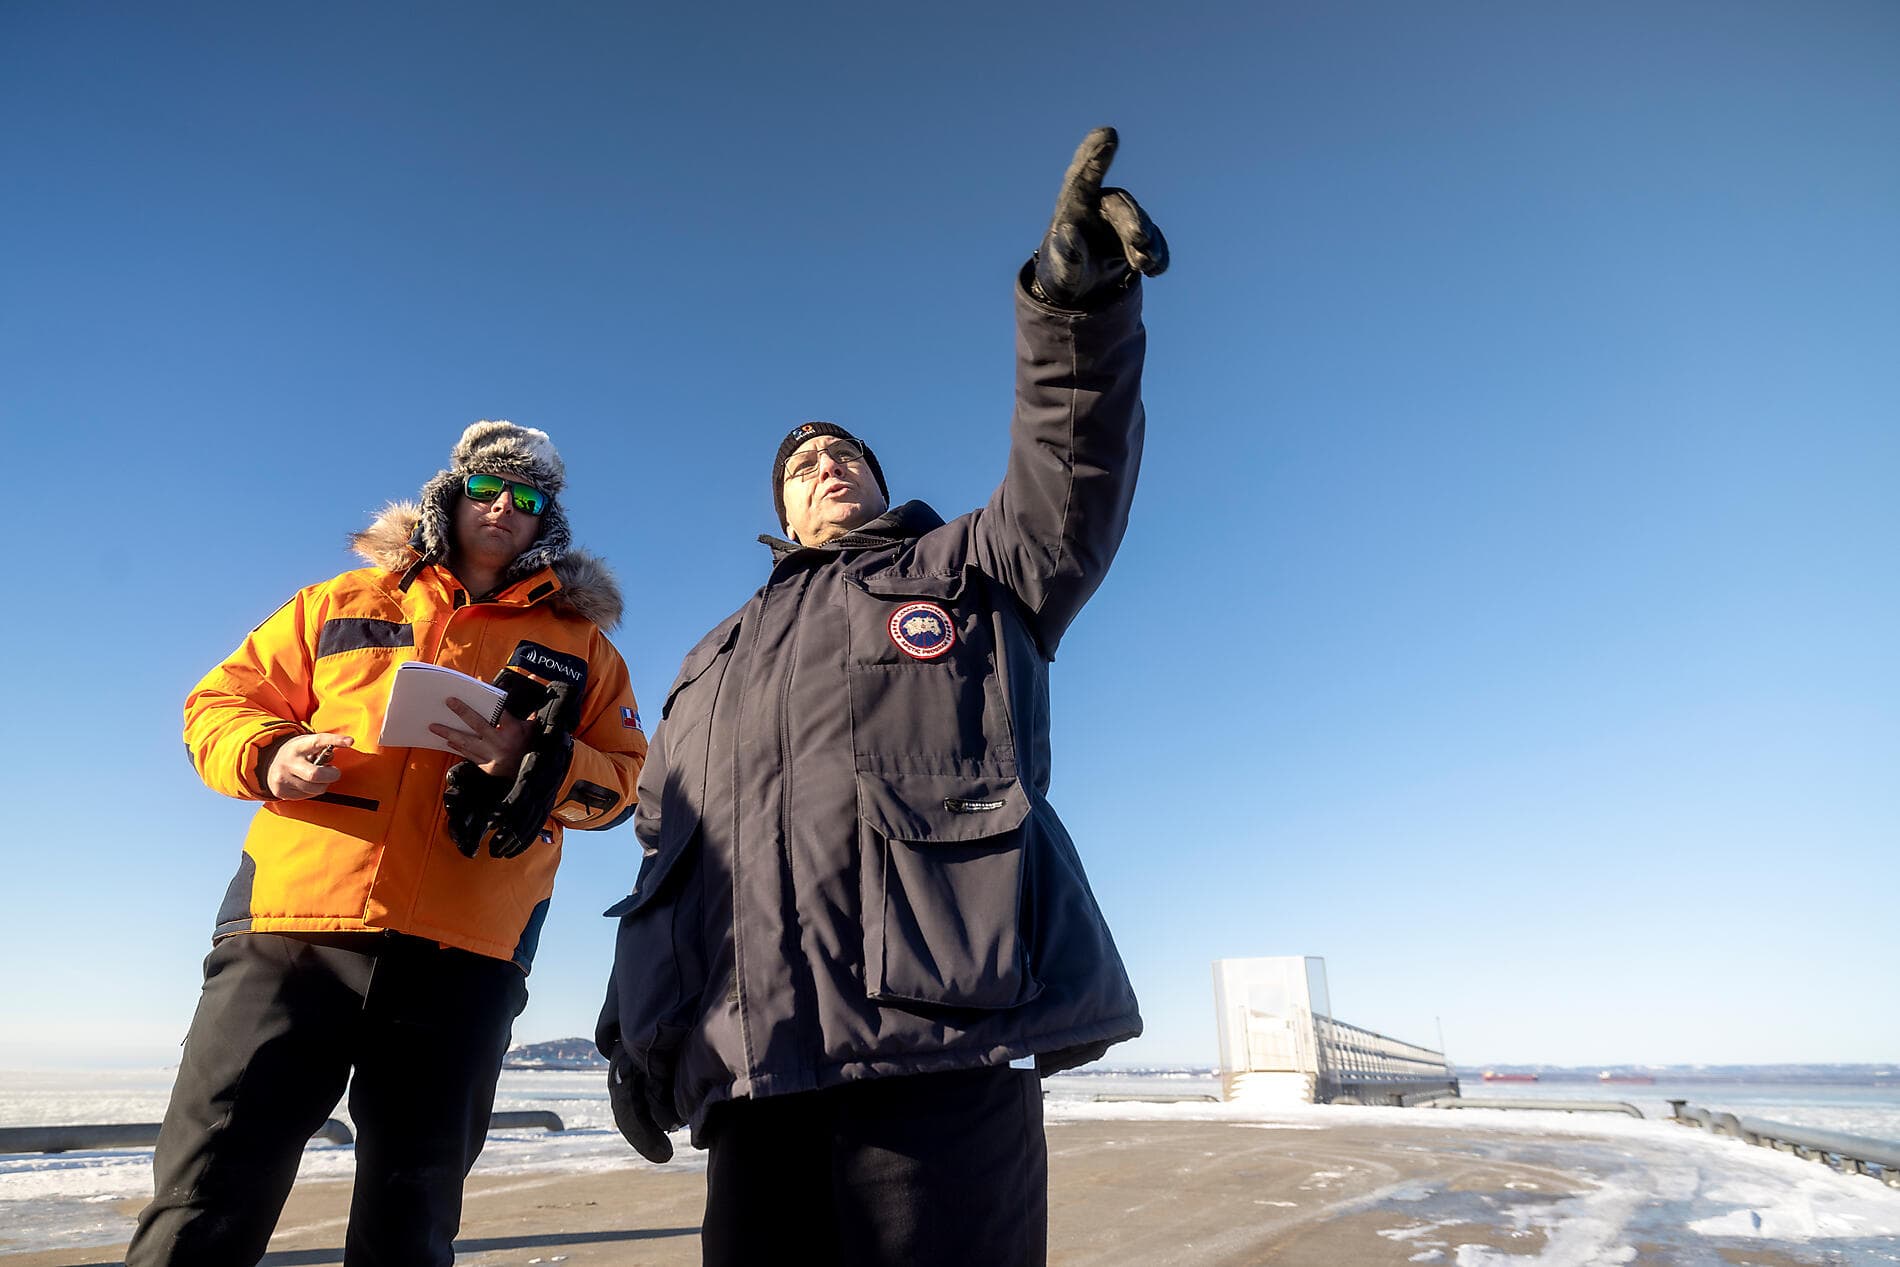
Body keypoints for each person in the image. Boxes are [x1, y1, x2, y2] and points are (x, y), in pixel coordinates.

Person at [597, 128, 1167, 1265]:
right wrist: (632, 1037)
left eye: (841, 453)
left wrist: (1071, 311)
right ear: (782, 512)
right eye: (800, 465)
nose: (823, 465)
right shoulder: (706, 663)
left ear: (877, 481)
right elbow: (666, 863)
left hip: (933, 1052)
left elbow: (1071, 467)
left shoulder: (970, 568)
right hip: (751, 1084)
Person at [130, 421, 647, 1267]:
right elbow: (215, 706)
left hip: (466, 954)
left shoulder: (582, 646)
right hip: (293, 933)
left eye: (526, 499)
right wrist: (271, 751)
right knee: (205, 1197)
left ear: (544, 519)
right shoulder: (338, 601)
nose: (502, 509)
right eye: (487, 489)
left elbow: (624, 782)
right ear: (453, 494)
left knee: (412, 1217)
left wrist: (533, 758)